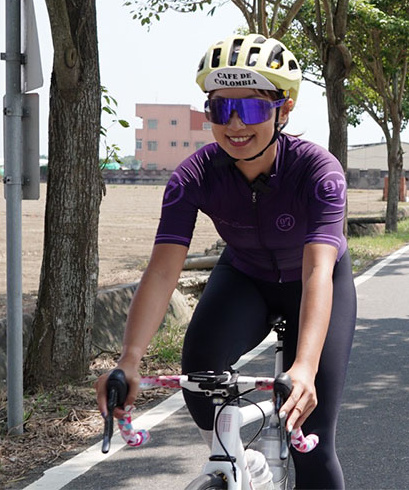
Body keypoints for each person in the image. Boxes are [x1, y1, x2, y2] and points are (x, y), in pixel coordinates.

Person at [95, 33, 356, 489]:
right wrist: (130, 359)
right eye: (220, 108)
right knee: (200, 372)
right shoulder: (193, 175)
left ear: (285, 109)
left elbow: (318, 269)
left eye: (252, 108)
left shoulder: (319, 172)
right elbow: (162, 270)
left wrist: (306, 367)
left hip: (314, 284)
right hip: (246, 277)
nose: (235, 123)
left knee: (309, 435)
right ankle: (242, 461)